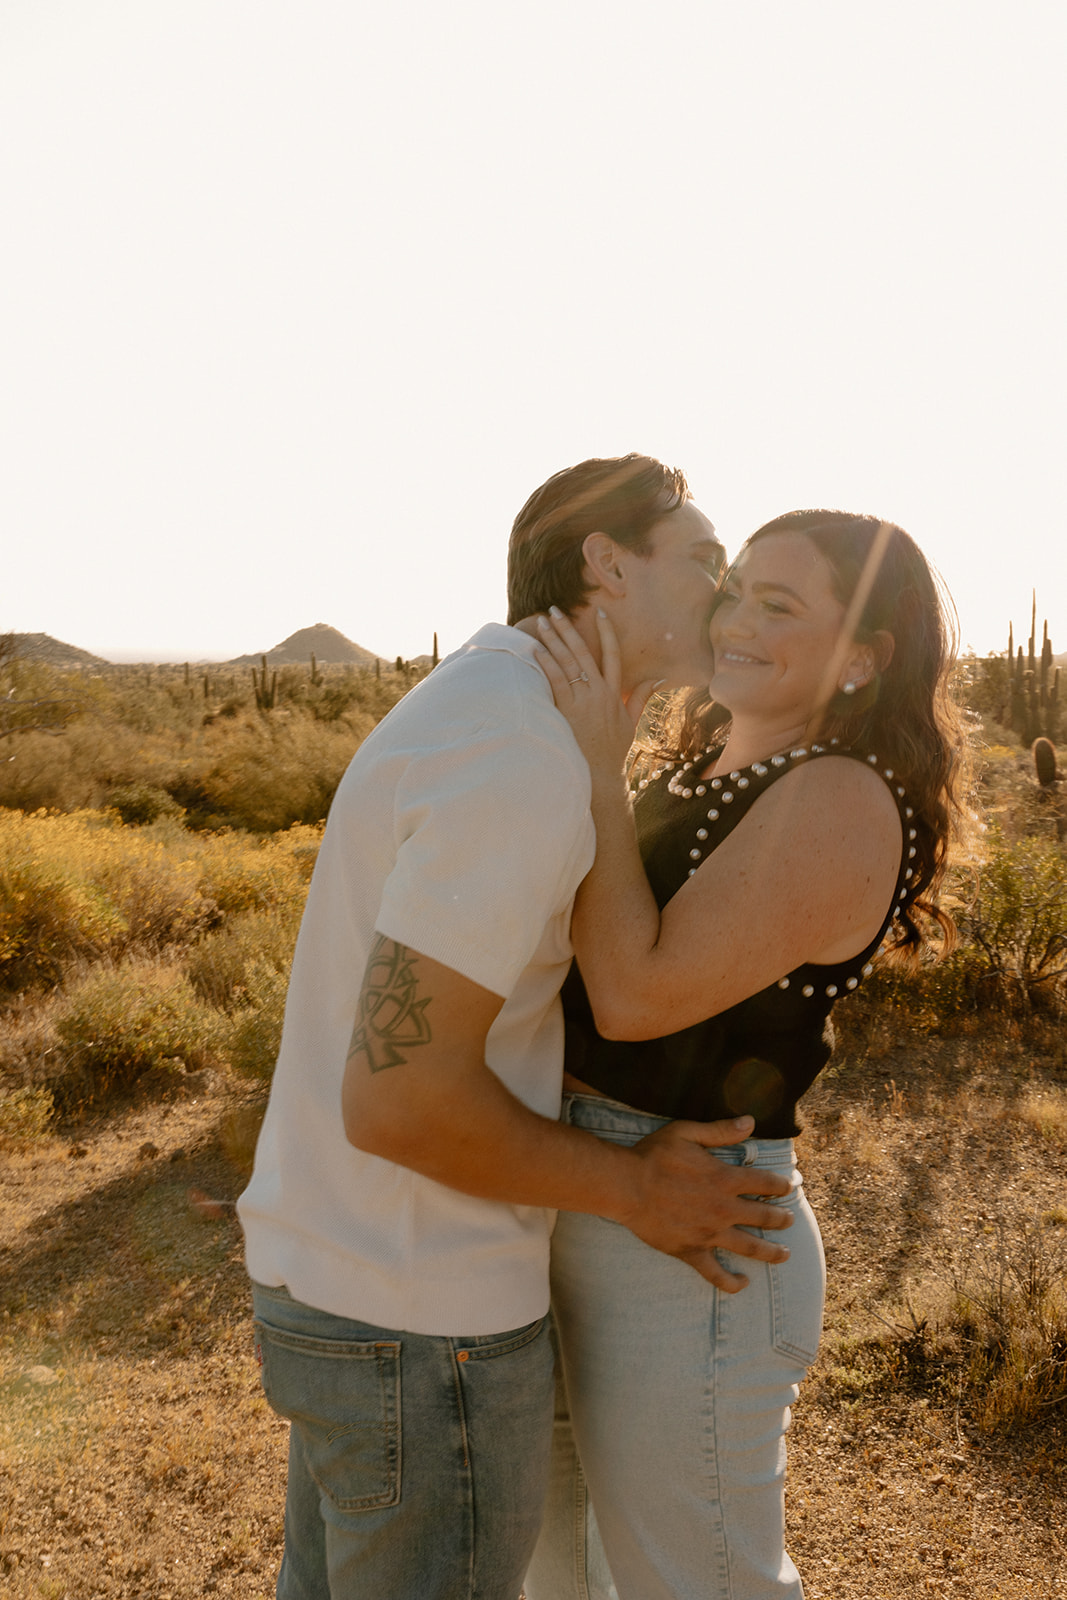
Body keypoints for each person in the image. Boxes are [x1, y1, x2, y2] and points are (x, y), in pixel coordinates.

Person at [236, 454, 797, 1600]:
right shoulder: (515, 755)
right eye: (701, 559)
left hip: (348, 1291)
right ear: (606, 562)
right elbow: (398, 1096)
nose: (726, 589)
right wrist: (635, 1188)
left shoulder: (489, 706)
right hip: (421, 1324)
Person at [525, 509, 963, 1600]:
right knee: (562, 1575)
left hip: (693, 1238)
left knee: (696, 1583)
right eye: (737, 590)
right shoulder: (694, 765)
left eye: (783, 603)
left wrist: (589, 752)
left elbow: (630, 996)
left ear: (863, 656)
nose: (737, 617)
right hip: (587, 1188)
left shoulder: (837, 797)